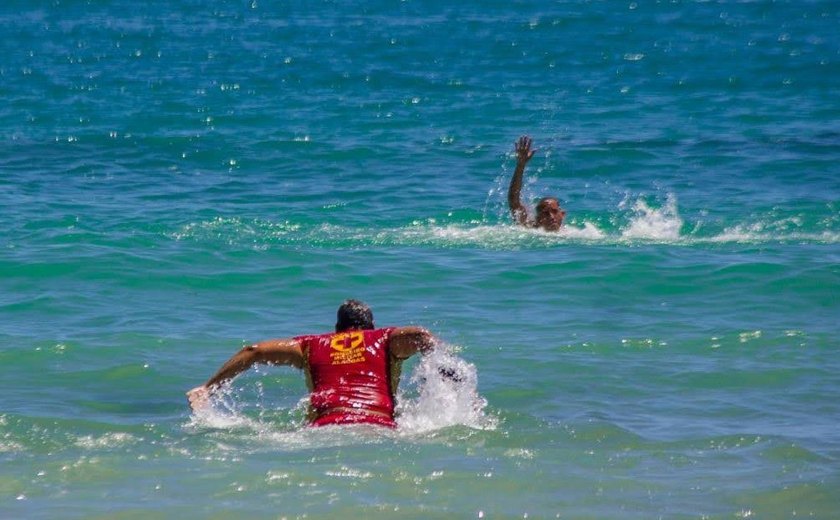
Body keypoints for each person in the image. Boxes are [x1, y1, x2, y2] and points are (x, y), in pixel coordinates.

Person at [186, 299, 440, 428]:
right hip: (378, 427)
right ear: (371, 327)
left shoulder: (309, 345)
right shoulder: (385, 339)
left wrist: (208, 387)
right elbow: (422, 336)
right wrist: (441, 369)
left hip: (324, 429)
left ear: (336, 329)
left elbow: (253, 351)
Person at [507, 135, 565, 231]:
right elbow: (513, 201)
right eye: (546, 213)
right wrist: (521, 165)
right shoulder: (531, 229)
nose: (551, 217)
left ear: (562, 214)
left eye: (554, 212)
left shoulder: (572, 233)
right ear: (538, 219)